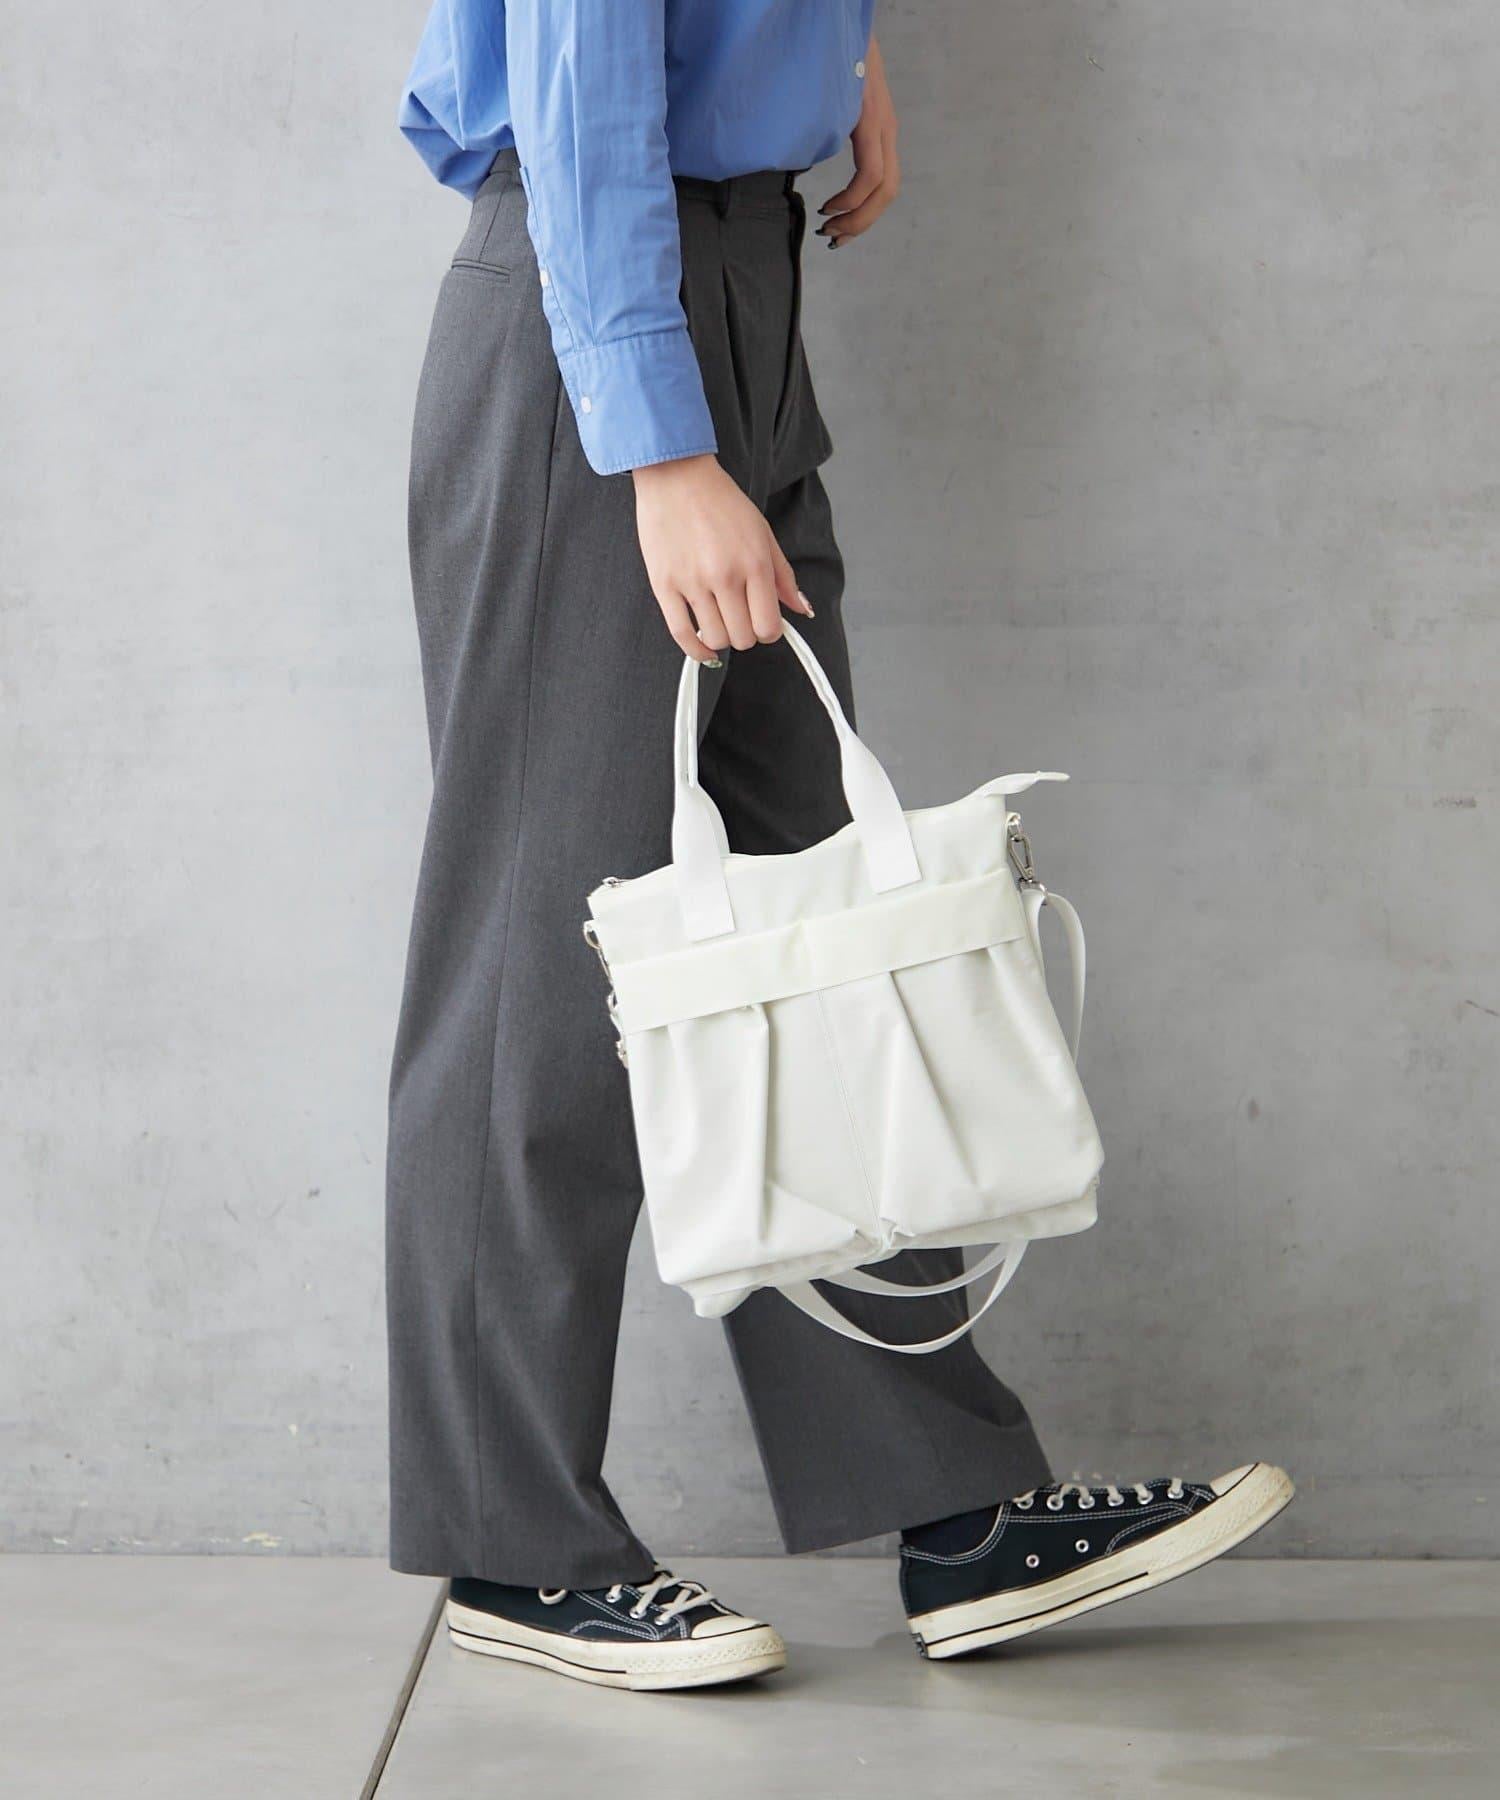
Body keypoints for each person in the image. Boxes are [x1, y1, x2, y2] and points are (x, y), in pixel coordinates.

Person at [388, 0, 1293, 1691]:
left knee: (818, 942)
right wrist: (662, 448)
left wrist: (839, 58)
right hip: (599, 314)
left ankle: (946, 1504)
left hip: (740, 285)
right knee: (531, 973)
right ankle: (514, 1543)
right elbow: (581, 90)